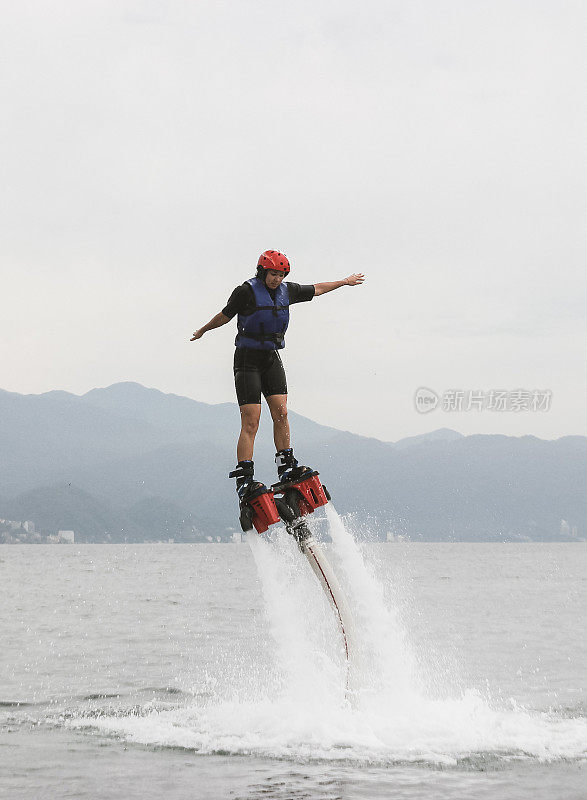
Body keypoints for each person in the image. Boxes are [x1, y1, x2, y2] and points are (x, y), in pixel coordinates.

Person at [190, 250, 364, 499]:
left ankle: (286, 466)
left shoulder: (287, 291)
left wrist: (344, 282)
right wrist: (204, 330)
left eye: (281, 275)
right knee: (251, 420)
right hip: (247, 359)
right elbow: (224, 316)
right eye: (273, 274)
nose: (276, 279)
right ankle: (245, 477)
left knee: (281, 412)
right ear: (262, 272)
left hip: (271, 358)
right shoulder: (246, 291)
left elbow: (317, 289)